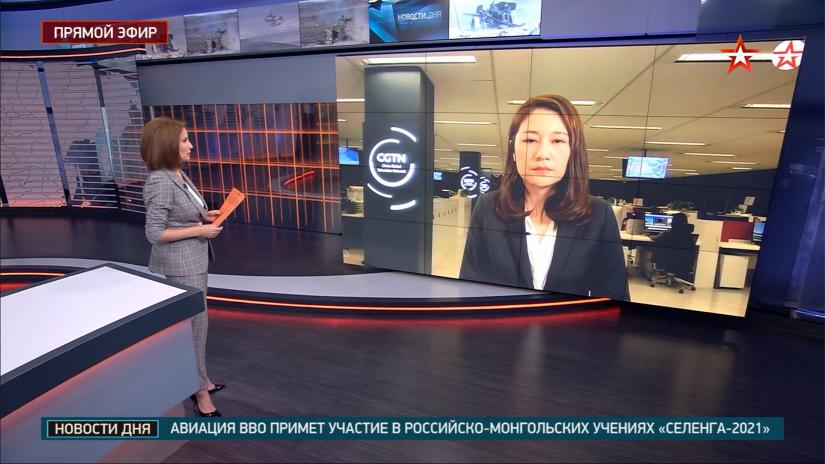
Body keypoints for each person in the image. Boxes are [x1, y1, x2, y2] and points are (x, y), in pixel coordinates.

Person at [459, 94, 628, 300]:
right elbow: (469, 291)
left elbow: (614, 302)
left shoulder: (599, 214)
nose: (543, 153)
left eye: (558, 140)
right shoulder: (488, 207)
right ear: (513, 148)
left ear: (572, 150)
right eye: (530, 140)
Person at [140, 117, 226, 417]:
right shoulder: (160, 181)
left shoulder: (178, 174)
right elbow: (154, 233)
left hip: (194, 260)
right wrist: (200, 230)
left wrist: (204, 216)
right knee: (195, 329)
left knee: (198, 326)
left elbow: (181, 214)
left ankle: (201, 379)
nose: (191, 145)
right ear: (167, 145)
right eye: (185, 140)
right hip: (181, 265)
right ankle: (200, 392)